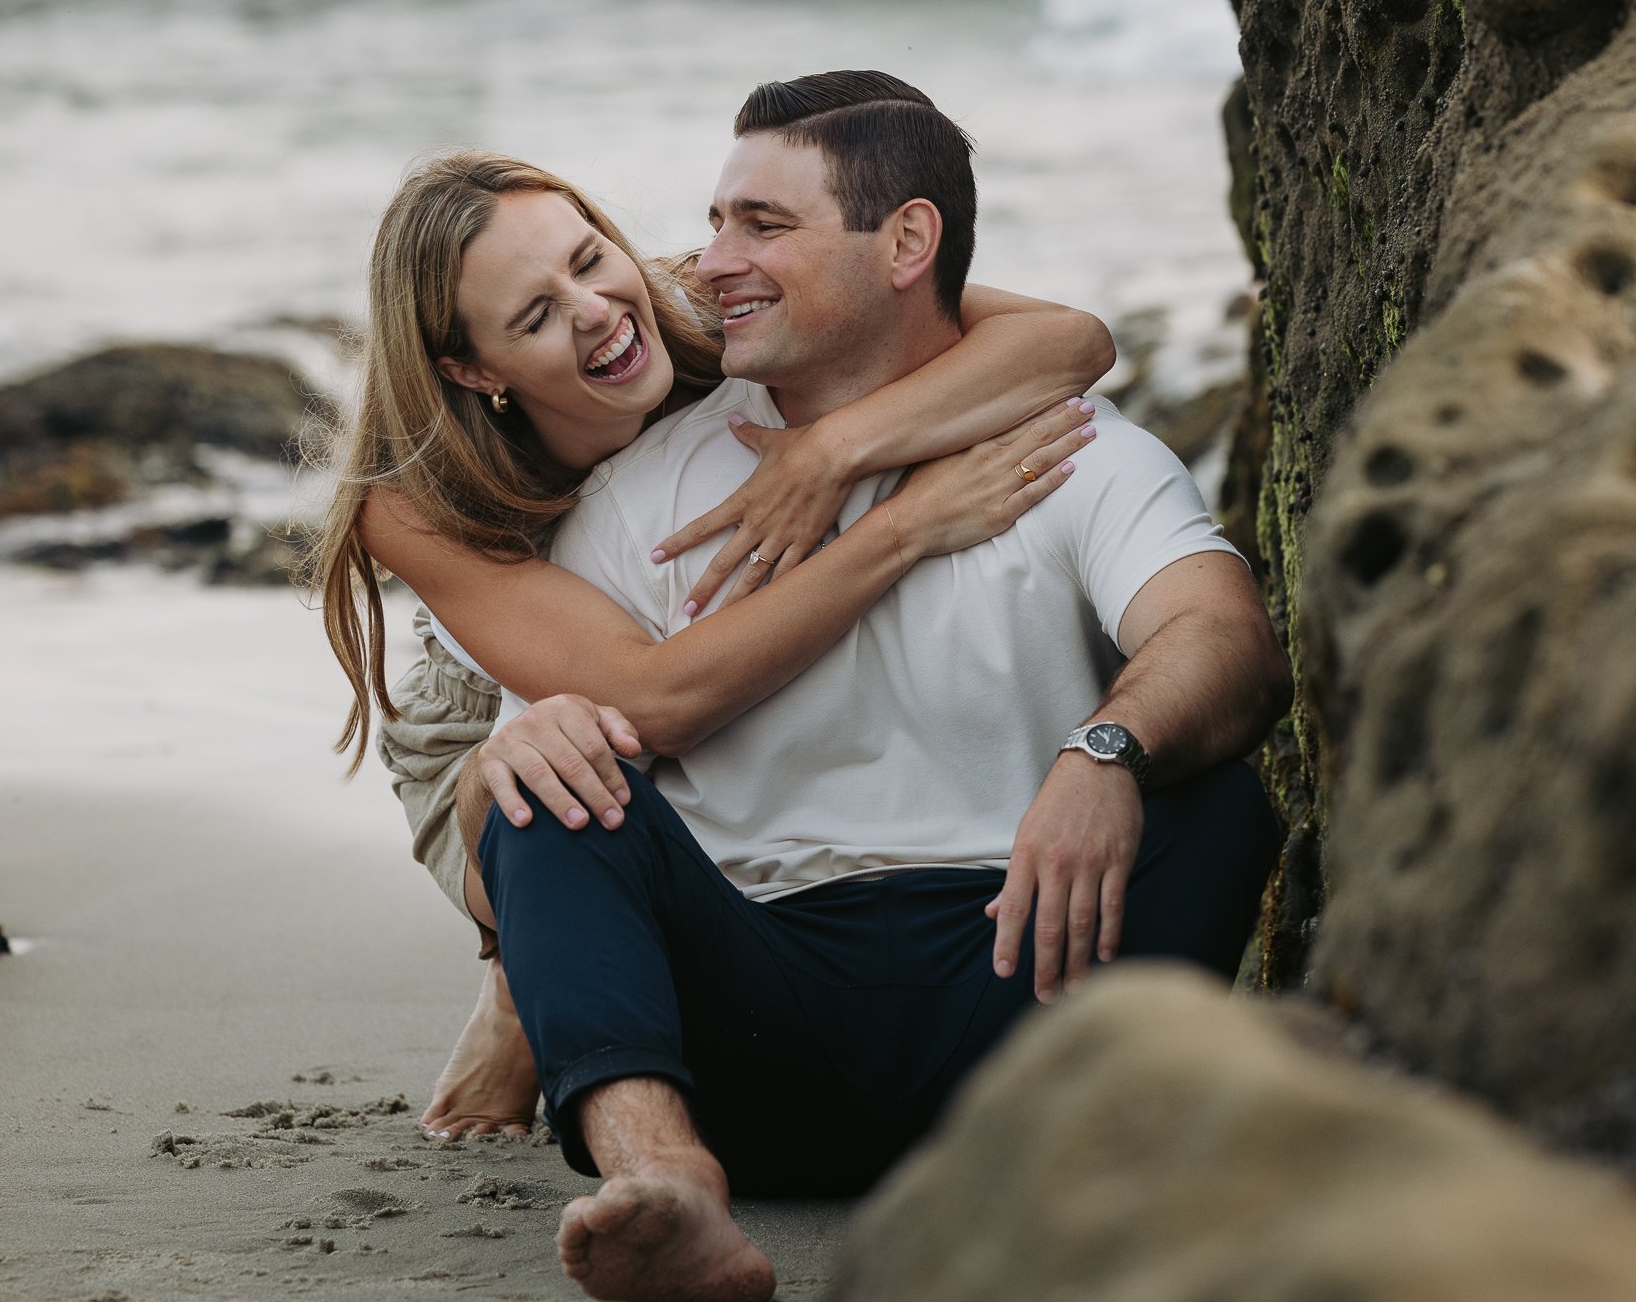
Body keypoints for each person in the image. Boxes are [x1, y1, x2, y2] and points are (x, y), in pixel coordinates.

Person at [466, 72, 1289, 1302]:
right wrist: (516, 758)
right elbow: (507, 837)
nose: (711, 261)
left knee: (1215, 793)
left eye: (763, 224)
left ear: (909, 240)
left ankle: (1073, 1164)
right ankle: (666, 1179)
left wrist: (1103, 751)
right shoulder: (641, 495)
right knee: (547, 774)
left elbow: (1226, 637)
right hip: (752, 1024)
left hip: (1030, 985)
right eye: (716, 219)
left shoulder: (1069, 449)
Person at [310, 148, 1120, 1142]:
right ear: (472, 369)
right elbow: (649, 698)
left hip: (697, 615)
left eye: (588, 256)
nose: (596, 310)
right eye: (533, 315)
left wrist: (831, 451)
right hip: (502, 702)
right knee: (543, 791)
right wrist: (906, 524)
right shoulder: (416, 500)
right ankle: (515, 977)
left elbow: (1068, 342)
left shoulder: (699, 296)